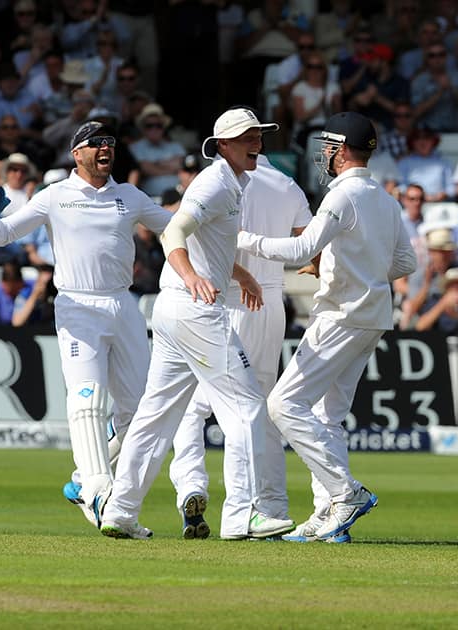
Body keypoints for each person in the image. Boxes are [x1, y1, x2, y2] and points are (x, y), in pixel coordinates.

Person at [100, 107, 296, 540]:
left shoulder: (231, 181)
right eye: (246, 137)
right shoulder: (214, 184)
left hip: (172, 310)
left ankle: (121, 510)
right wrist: (193, 278)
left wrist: (238, 273)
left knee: (155, 416)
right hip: (193, 309)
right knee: (246, 408)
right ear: (222, 144)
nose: (256, 144)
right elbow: (173, 232)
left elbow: (212, 245)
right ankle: (241, 516)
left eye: (258, 136)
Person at [0, 121, 172, 530]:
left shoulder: (128, 195)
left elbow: (175, 228)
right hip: (78, 304)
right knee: (88, 399)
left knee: (143, 414)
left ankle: (82, 481)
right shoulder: (54, 196)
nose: (104, 149)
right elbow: (4, 234)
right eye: (95, 144)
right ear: (76, 153)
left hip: (123, 303)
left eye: (109, 143)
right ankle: (99, 490)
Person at [234, 111, 417, 542]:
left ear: (341, 150)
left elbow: (300, 248)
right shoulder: (385, 198)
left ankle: (345, 493)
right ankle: (328, 517)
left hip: (341, 315)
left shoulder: (343, 196)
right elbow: (405, 262)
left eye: (327, 148)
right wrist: (360, 270)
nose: (324, 156)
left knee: (283, 405)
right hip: (371, 317)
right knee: (326, 416)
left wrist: (240, 239)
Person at [166, 152, 312, 539]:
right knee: (258, 410)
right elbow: (310, 248)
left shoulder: (220, 180)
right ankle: (272, 507)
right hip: (269, 303)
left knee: (194, 407)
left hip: (222, 298)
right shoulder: (288, 184)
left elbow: (186, 233)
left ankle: (193, 485)